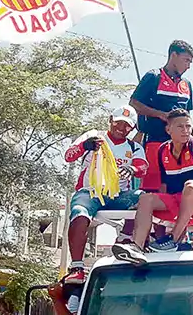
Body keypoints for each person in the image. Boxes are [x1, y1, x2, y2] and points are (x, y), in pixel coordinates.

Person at [112, 109, 193, 259]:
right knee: (145, 198)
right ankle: (136, 247)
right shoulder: (163, 150)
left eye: (188, 126)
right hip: (180, 201)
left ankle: (173, 241)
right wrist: (155, 208)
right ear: (168, 129)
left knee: (191, 186)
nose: (185, 130)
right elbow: (164, 185)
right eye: (180, 126)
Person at [61, 105, 148, 284]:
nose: (122, 128)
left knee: (144, 198)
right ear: (110, 120)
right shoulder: (94, 135)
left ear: (132, 128)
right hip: (90, 192)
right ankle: (77, 267)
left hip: (119, 194)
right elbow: (68, 156)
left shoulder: (134, 146)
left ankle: (125, 239)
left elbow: (143, 167)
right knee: (78, 212)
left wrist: (132, 169)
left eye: (127, 126)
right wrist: (85, 146)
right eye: (118, 123)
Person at [130, 40, 193, 194]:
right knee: (153, 188)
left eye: (190, 62)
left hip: (180, 146)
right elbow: (134, 103)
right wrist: (160, 115)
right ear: (173, 55)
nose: (188, 66)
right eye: (186, 60)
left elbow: (188, 114)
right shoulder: (153, 77)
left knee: (179, 188)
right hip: (155, 142)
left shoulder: (187, 84)